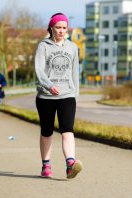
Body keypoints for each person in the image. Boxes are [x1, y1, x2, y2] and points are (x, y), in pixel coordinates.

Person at [34, 13, 82, 179]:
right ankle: (46, 165)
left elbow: (75, 73)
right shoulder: (43, 46)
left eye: (64, 27)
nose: (61, 31)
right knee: (47, 132)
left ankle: (70, 163)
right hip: (46, 96)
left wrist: (75, 95)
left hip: (67, 95)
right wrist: (49, 85)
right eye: (58, 27)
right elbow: (39, 70)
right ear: (51, 28)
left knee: (67, 130)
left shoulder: (73, 47)